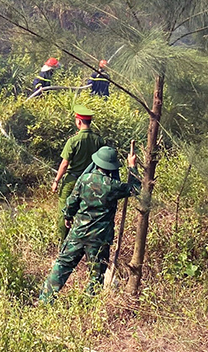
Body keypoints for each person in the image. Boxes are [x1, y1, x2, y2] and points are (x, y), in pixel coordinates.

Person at [40, 145, 140, 302]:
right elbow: (135, 188)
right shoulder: (113, 186)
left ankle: (45, 300)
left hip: (78, 232)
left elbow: (71, 202)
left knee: (62, 265)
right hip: (99, 238)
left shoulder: (84, 179)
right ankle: (88, 304)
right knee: (96, 273)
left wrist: (68, 216)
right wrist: (132, 166)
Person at [51, 105, 105, 246]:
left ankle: (63, 243)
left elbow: (64, 164)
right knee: (86, 210)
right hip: (91, 181)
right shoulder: (98, 140)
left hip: (72, 180)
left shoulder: (73, 141)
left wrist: (56, 180)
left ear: (79, 122)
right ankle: (84, 242)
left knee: (65, 210)